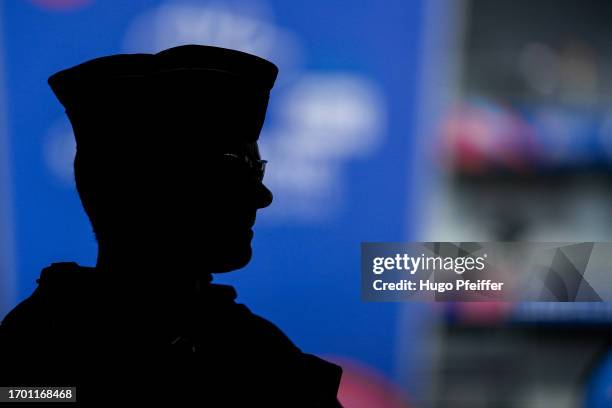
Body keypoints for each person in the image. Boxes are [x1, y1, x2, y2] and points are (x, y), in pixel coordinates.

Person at [0, 44, 343, 406]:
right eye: (234, 169)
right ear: (148, 188)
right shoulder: (36, 355)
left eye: (257, 169)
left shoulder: (258, 355)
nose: (262, 196)